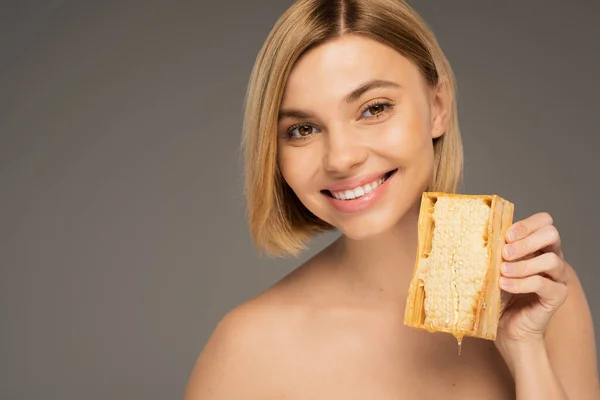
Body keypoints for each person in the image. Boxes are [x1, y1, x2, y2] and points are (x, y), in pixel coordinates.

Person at [184, 0, 600, 398]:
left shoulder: (541, 295)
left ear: (437, 106)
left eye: (374, 108)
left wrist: (526, 349)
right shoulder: (247, 349)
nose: (342, 157)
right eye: (303, 129)